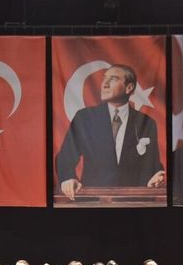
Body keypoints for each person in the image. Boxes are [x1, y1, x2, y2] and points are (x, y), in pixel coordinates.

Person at [57, 64, 164, 199]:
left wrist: (158, 175)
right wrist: (68, 178)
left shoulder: (147, 123)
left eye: (113, 79)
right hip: (93, 202)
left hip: (133, 202)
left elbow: (152, 165)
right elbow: (65, 158)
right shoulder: (84, 118)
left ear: (129, 88)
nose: (104, 84)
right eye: (104, 79)